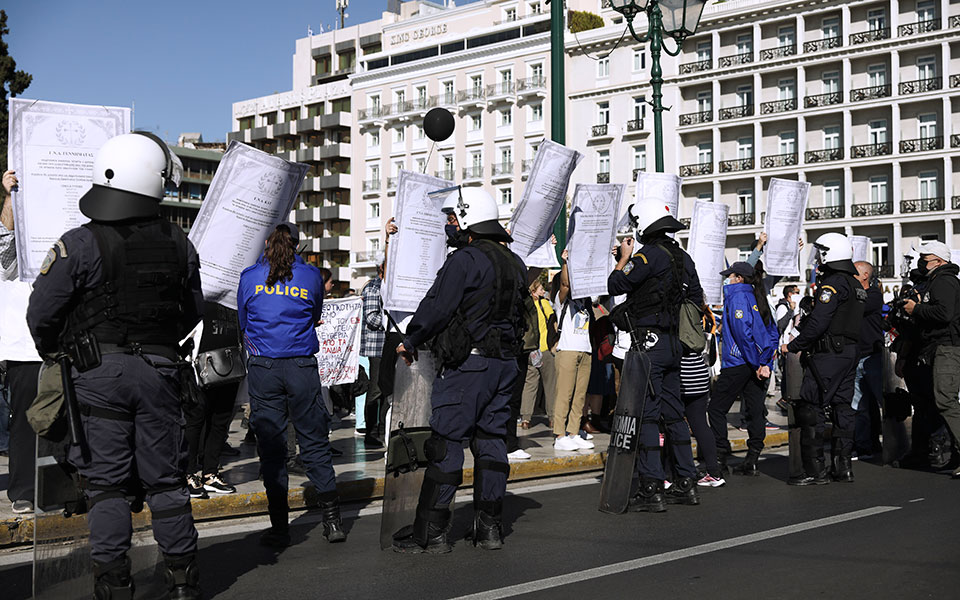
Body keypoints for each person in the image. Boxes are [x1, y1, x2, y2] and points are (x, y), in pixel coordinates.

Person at [26, 133, 204, 598]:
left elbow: (41, 314)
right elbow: (192, 312)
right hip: (162, 373)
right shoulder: (180, 243)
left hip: (97, 375)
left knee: (106, 486)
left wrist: (61, 350)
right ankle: (182, 580)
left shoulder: (79, 243)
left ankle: (114, 584)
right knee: (166, 480)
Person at [392, 188, 526, 553]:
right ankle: (490, 528)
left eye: (453, 218)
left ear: (469, 219)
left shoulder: (465, 259)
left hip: (469, 366)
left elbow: (438, 307)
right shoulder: (515, 262)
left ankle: (431, 532)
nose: (450, 225)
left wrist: (411, 338)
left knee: (446, 443)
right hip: (505, 365)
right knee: (492, 441)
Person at [237, 222, 346, 548]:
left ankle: (280, 529)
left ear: (266, 244)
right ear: (298, 246)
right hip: (301, 366)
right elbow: (315, 313)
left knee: (272, 449)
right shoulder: (311, 275)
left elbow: (242, 320)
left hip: (264, 368)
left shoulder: (250, 276)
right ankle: (333, 522)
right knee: (314, 443)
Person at [607, 201, 704, 511]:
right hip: (675, 343)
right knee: (675, 413)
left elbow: (615, 284)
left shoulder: (647, 256)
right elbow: (696, 298)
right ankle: (686, 481)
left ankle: (652, 486)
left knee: (648, 415)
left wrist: (624, 259)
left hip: (649, 343)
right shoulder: (684, 257)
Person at [782, 232, 865, 485]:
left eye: (821, 252)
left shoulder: (832, 284)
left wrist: (793, 345)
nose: (818, 257)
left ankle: (814, 470)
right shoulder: (855, 284)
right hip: (849, 352)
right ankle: (843, 466)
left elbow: (819, 322)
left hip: (829, 354)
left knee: (812, 407)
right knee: (842, 408)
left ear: (830, 254)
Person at [1, 168, 44, 515]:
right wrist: (10, 195)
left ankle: (64, 485)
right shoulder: (13, 251)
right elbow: (4, 239)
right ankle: (25, 490)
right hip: (25, 348)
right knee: (25, 422)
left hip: (66, 344)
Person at [708, 262, 778, 476]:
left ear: (739, 278)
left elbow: (742, 333)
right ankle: (753, 458)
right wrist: (765, 362)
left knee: (716, 409)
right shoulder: (758, 295)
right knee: (755, 410)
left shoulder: (737, 296)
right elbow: (772, 332)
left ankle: (720, 457)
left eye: (730, 276)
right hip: (755, 363)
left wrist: (757, 363)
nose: (727, 279)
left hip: (739, 362)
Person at [902, 241, 960, 478]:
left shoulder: (944, 281)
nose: (921, 263)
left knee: (945, 400)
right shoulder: (936, 281)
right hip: (939, 347)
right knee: (940, 400)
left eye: (925, 259)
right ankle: (954, 455)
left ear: (939, 261)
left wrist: (916, 309)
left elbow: (944, 313)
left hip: (947, 346)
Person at [183, 301, 242, 499]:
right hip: (200, 365)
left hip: (229, 362)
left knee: (220, 420)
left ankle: (210, 473)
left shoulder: (235, 298)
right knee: (195, 420)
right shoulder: (198, 297)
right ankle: (189, 473)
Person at [551, 249, 595, 452]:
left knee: (580, 396)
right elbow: (565, 284)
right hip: (567, 349)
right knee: (565, 394)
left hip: (585, 350)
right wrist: (566, 262)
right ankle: (560, 435)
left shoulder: (586, 301)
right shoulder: (561, 302)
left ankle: (573, 432)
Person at [680, 304, 724, 487]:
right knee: (700, 424)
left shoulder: (678, 313)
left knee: (676, 425)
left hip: (682, 374)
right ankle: (714, 471)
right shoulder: (703, 313)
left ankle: (682, 472)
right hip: (699, 371)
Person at [852, 261, 884, 459]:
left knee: (883, 401)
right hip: (856, 357)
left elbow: (860, 306)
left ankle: (894, 445)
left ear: (865, 275)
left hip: (873, 356)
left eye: (854, 271)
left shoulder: (874, 295)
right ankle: (863, 446)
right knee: (859, 406)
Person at [520, 277, 557, 430]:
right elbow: (553, 321)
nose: (543, 292)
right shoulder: (544, 304)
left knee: (530, 384)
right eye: (541, 289)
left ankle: (525, 418)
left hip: (529, 350)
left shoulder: (524, 305)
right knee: (550, 384)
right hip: (544, 349)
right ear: (534, 291)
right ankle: (553, 418)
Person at [359, 260, 387, 447]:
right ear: (381, 269)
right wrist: (389, 315)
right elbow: (371, 318)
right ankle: (371, 432)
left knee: (386, 389)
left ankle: (383, 430)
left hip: (387, 345)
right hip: (376, 347)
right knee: (375, 390)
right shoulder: (372, 288)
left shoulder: (389, 288)